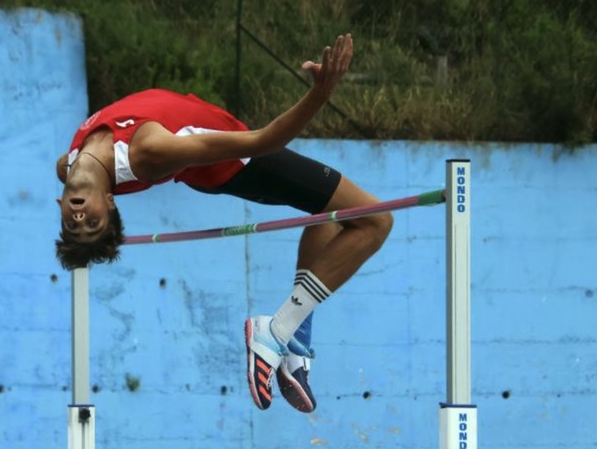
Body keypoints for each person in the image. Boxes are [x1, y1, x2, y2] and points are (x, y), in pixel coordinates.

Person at [55, 33, 393, 413]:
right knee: (374, 220)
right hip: (244, 166)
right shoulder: (149, 153)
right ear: (111, 205)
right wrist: (320, 93)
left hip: (225, 149)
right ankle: (275, 333)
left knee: (331, 214)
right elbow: (262, 141)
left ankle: (296, 342)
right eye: (92, 225)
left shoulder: (67, 163)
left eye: (74, 224)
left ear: (62, 204)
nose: (81, 218)